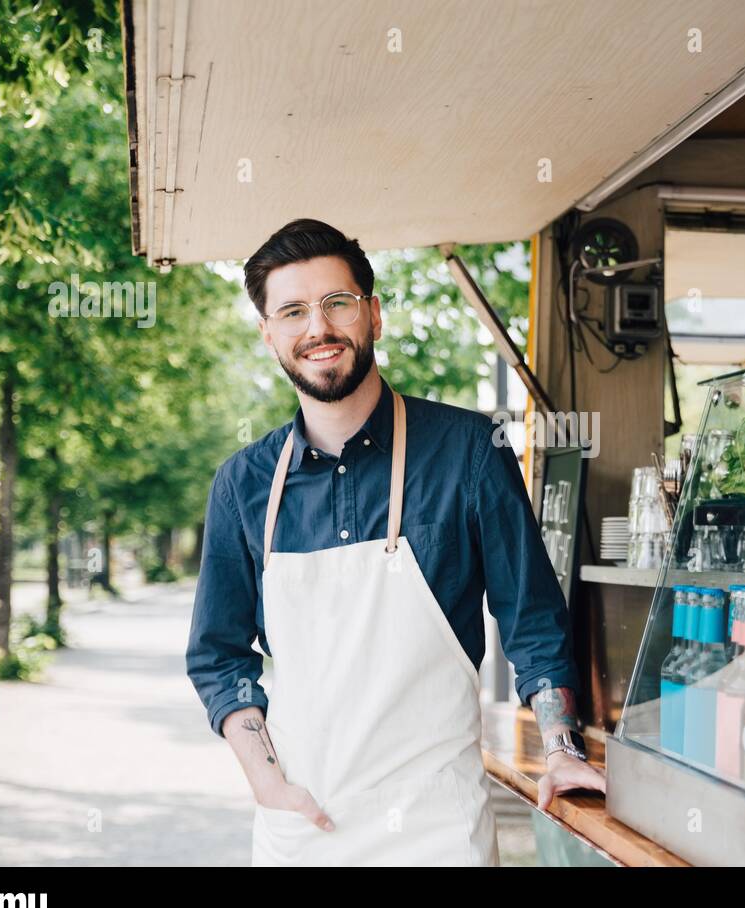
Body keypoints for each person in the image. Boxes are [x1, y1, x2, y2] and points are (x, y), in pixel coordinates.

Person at [186, 219, 605, 866]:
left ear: (373, 315)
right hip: (304, 829)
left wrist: (562, 750)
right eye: (292, 311)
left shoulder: (469, 449)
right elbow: (218, 656)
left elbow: (534, 621)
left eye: (337, 303)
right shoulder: (243, 484)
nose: (317, 328)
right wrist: (266, 781)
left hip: (438, 830)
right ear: (269, 333)